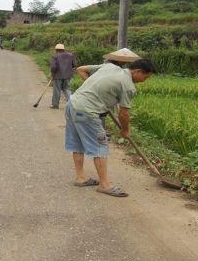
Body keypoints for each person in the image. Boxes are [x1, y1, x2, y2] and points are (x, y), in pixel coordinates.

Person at [65, 58, 155, 197]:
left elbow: (81, 69)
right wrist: (125, 130)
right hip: (87, 111)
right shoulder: (128, 86)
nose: (144, 80)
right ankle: (105, 185)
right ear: (137, 71)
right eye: (146, 77)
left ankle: (81, 178)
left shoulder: (110, 67)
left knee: (77, 144)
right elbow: (124, 113)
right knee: (100, 145)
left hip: (72, 104)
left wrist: (95, 91)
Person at [76, 48, 142, 129]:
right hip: (90, 109)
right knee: (96, 138)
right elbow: (81, 69)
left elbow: (80, 69)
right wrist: (90, 83)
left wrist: (91, 83)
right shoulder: (110, 68)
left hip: (77, 105)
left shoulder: (109, 68)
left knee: (79, 135)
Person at [49, 43, 76, 109]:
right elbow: (74, 65)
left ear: (56, 49)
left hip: (58, 76)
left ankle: (55, 105)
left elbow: (53, 67)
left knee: (57, 90)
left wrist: (52, 75)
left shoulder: (55, 56)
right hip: (68, 76)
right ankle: (72, 104)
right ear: (63, 49)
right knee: (67, 89)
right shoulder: (70, 55)